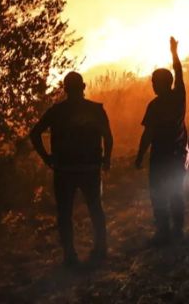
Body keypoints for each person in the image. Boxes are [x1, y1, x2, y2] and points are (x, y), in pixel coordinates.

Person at [30, 71, 113, 266]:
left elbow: (35, 134)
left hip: (64, 171)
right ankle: (101, 248)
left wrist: (46, 158)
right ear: (83, 87)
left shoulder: (56, 111)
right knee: (95, 209)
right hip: (90, 169)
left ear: (65, 89)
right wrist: (106, 159)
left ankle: (70, 255)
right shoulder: (95, 109)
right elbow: (107, 137)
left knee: (65, 213)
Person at [135, 37, 189, 244]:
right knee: (176, 192)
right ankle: (177, 230)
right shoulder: (179, 96)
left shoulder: (155, 106)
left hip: (160, 156)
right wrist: (174, 52)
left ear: (159, 84)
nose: (152, 86)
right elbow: (179, 72)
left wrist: (140, 157)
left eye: (154, 82)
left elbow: (147, 135)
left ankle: (163, 231)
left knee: (158, 194)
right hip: (178, 154)